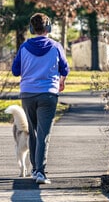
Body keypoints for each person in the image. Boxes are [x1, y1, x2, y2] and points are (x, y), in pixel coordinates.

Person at [11, 13, 69, 184]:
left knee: (33, 131)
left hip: (28, 94)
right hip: (48, 94)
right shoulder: (56, 46)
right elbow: (64, 69)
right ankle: (40, 172)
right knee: (44, 133)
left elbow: (15, 71)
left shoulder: (24, 47)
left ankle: (36, 169)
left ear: (31, 28)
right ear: (48, 28)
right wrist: (61, 81)